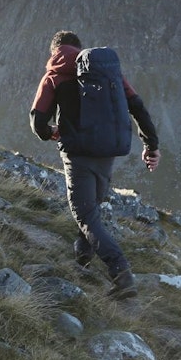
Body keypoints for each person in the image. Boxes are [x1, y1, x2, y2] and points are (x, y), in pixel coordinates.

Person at [29, 30, 161, 300]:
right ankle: (83, 258)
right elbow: (137, 106)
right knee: (92, 207)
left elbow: (38, 122)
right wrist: (151, 146)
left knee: (85, 214)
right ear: (79, 49)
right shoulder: (105, 73)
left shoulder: (54, 75)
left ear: (55, 51)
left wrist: (51, 132)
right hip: (107, 152)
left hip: (77, 155)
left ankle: (121, 273)